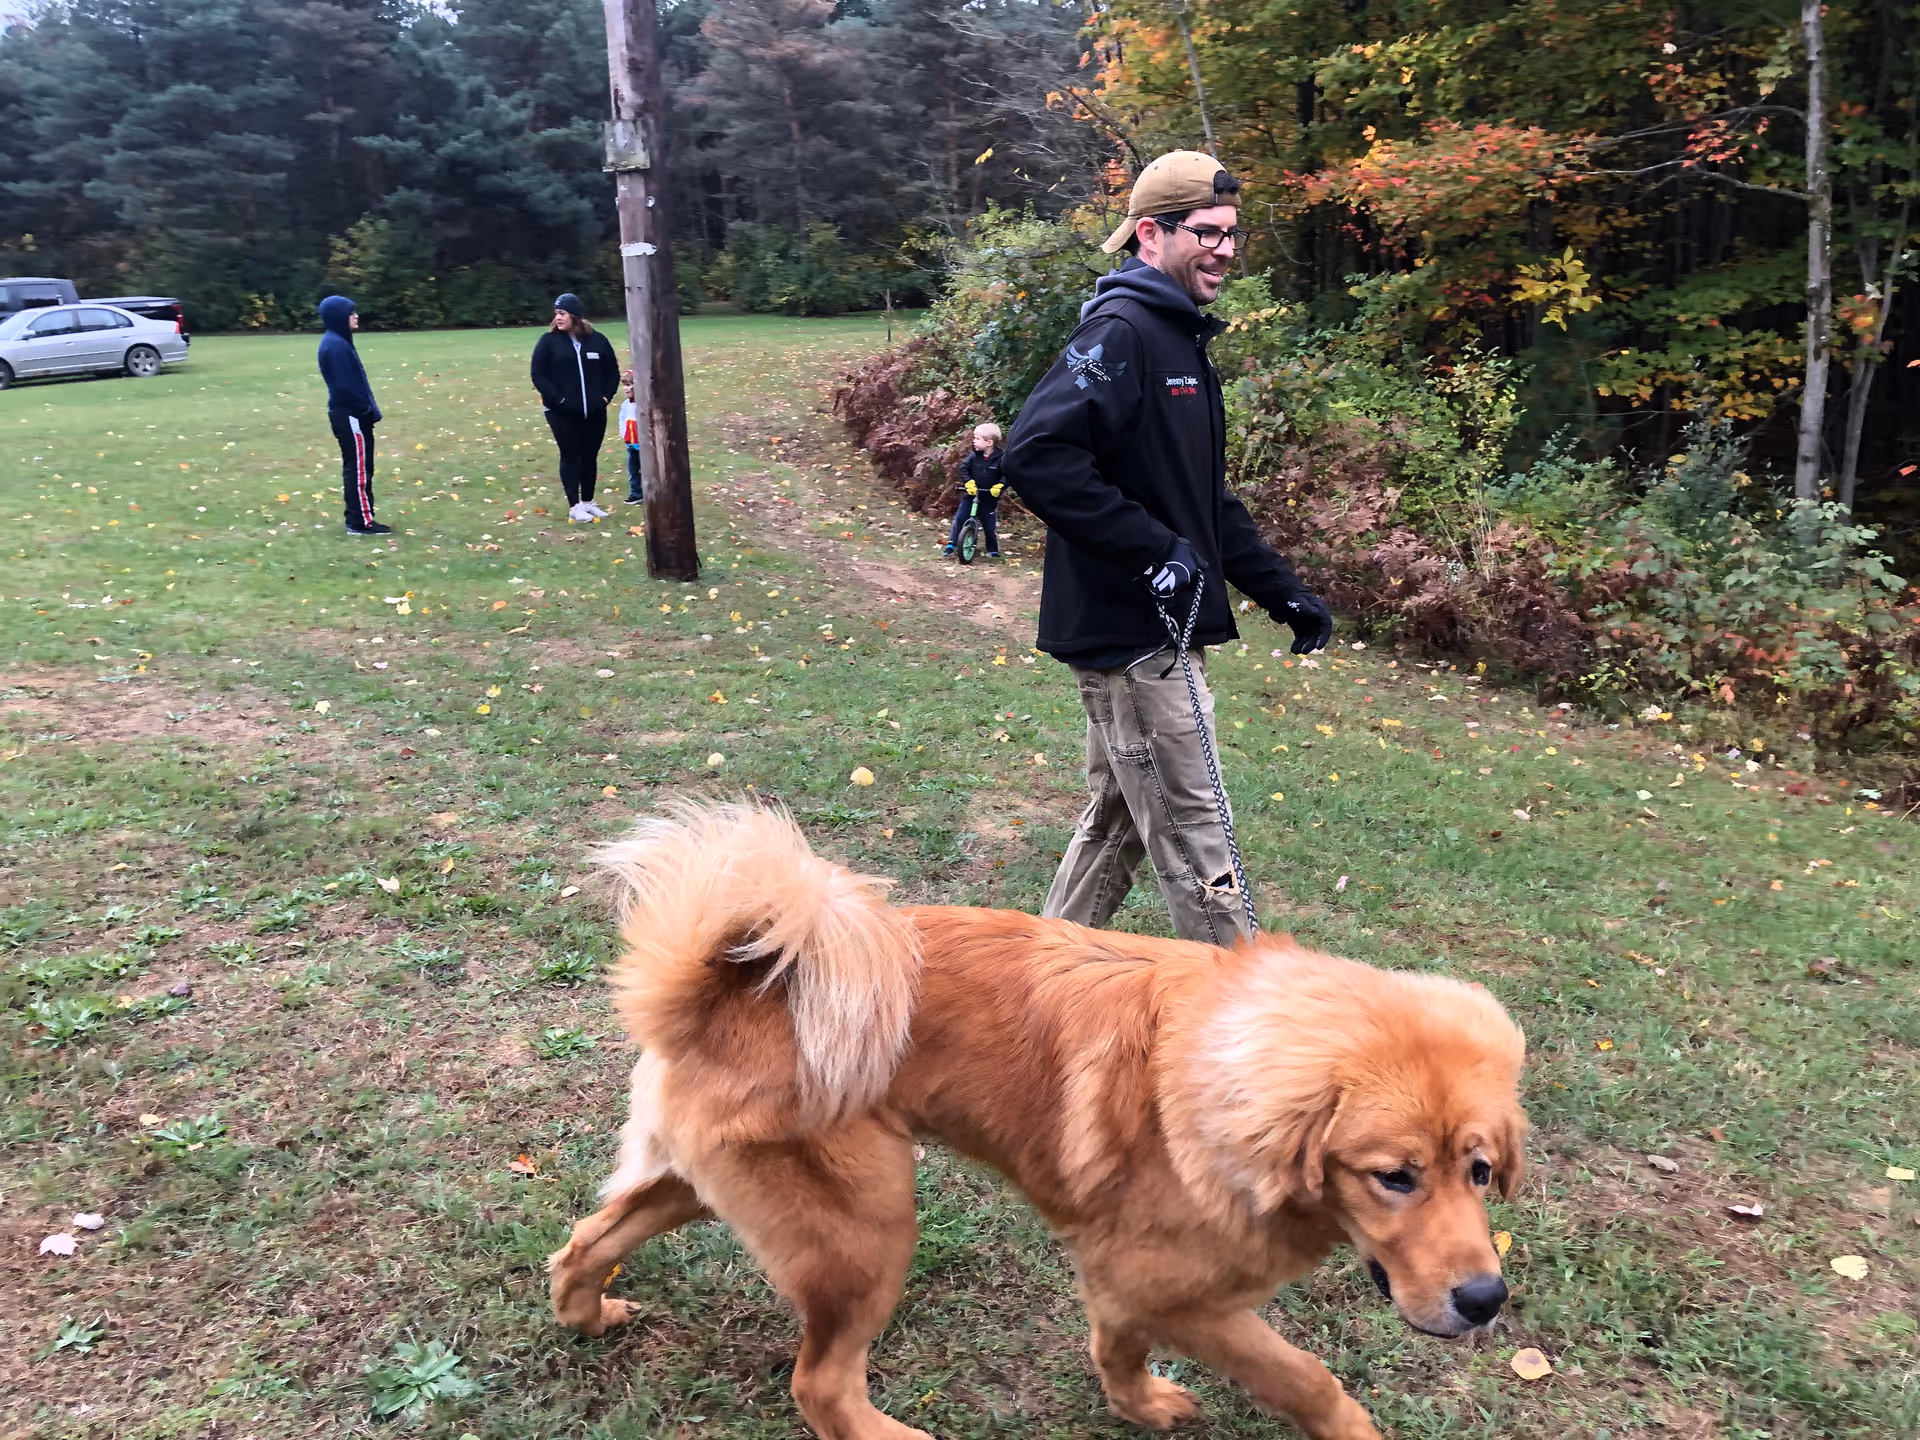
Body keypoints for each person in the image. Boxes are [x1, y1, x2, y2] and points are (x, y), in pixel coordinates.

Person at [1005, 150, 1333, 946]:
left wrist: (1281, 591)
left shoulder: (1179, 339)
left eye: (1232, 234)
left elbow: (1201, 498)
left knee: (1117, 825)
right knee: (1196, 839)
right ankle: (1245, 1009)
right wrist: (1151, 550)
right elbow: (1037, 455)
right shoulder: (1123, 333)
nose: (1225, 251)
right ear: (1150, 234)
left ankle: (1041, 983)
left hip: (1157, 633)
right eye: (1207, 233)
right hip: (1135, 637)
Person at [530, 293, 622, 522]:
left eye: (562, 313)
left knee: (590, 455)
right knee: (570, 454)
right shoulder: (548, 341)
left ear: (575, 315)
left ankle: (588, 503)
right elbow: (538, 374)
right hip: (560, 411)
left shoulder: (598, 340)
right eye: (556, 314)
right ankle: (574, 506)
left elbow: (612, 372)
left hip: (594, 410)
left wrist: (605, 398)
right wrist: (559, 400)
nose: (558, 318)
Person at [316, 294, 388, 536]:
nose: (356, 316)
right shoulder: (335, 346)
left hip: (352, 415)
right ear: (339, 317)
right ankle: (359, 522)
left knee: (361, 467)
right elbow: (345, 387)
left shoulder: (339, 342)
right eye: (351, 313)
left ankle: (359, 517)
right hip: (350, 416)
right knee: (358, 470)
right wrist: (364, 410)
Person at [944, 422, 1005, 558]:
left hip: (989, 497)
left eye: (977, 438)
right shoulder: (974, 456)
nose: (974, 441)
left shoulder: (1001, 458)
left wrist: (1000, 485)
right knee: (960, 519)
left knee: (989, 525)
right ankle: (952, 544)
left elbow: (1007, 475)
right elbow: (964, 468)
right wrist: (969, 482)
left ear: (989, 442)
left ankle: (992, 549)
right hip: (971, 495)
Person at [618, 370, 644, 505]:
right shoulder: (625, 405)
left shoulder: (642, 405)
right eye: (624, 385)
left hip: (643, 445)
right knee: (633, 471)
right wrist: (625, 436)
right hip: (631, 444)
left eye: (629, 385)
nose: (626, 388)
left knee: (646, 470)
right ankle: (636, 493)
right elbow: (622, 421)